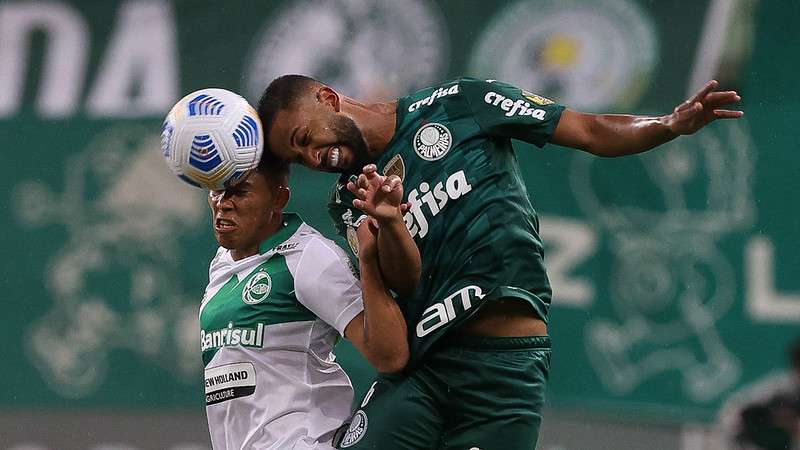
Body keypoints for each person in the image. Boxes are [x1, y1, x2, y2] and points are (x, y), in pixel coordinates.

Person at [256, 74, 743, 449]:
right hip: (426, 371)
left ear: (327, 98)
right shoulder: (349, 198)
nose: (312, 158)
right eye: (298, 158)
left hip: (504, 373)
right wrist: (388, 225)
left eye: (304, 138)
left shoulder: (460, 104)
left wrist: (669, 125)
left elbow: (591, 131)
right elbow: (404, 279)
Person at [198, 153, 414, 450]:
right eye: (217, 190)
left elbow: (389, 354)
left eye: (240, 191)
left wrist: (368, 261)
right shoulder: (222, 262)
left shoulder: (310, 257)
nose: (223, 202)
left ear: (278, 198)